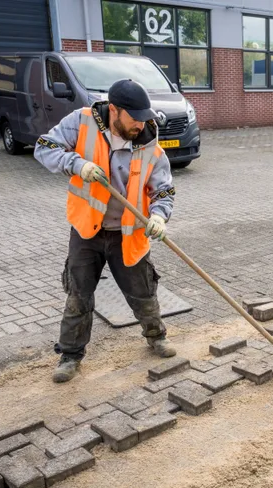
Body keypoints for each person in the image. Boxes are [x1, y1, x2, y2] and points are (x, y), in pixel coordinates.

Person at [34, 79, 177, 383]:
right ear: (114, 110)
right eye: (133, 118)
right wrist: (76, 164)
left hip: (128, 233)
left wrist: (160, 217)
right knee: (79, 294)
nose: (140, 124)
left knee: (143, 291)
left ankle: (156, 337)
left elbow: (163, 191)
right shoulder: (82, 122)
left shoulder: (150, 143)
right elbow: (43, 147)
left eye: (143, 117)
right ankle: (70, 356)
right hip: (87, 229)